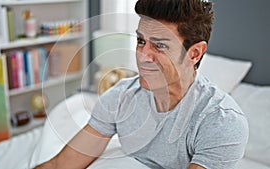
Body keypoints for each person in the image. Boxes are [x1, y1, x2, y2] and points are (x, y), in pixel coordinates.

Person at [35, 0, 248, 168]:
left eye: (160, 46)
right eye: (141, 41)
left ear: (194, 54)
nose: (143, 56)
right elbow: (59, 165)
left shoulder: (221, 122)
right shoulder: (119, 97)